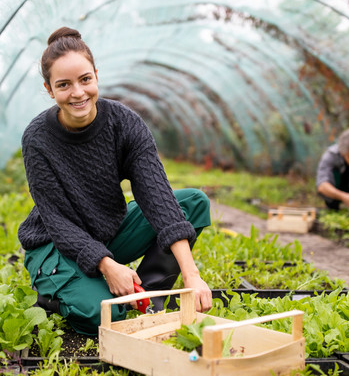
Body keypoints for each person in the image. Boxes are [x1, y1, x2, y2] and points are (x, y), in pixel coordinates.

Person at [18, 26, 213, 335]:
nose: (78, 93)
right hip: (55, 245)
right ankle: (57, 294)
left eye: (85, 79)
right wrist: (107, 265)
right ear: (49, 89)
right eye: (64, 85)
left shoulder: (124, 123)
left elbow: (157, 198)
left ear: (96, 75)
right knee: (107, 315)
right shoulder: (37, 138)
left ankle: (147, 296)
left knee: (193, 203)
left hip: (106, 232)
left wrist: (191, 275)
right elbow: (58, 222)